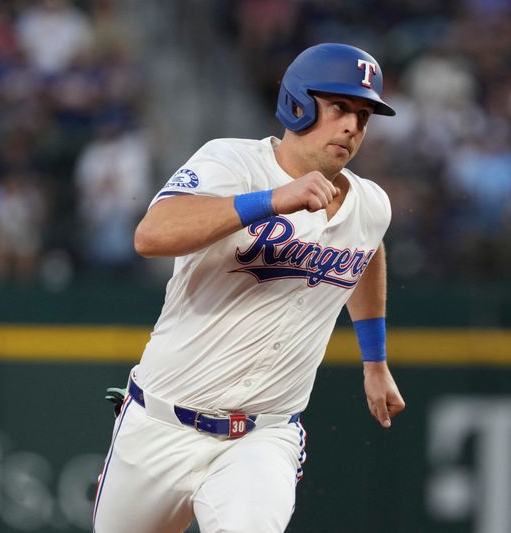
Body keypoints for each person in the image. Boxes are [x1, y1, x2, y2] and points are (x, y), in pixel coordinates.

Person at [92, 42, 406, 533]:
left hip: (262, 438)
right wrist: (272, 200)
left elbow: (367, 250)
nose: (352, 126)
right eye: (340, 107)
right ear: (298, 104)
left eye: (364, 116)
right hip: (158, 426)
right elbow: (152, 234)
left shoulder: (370, 203)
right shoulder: (232, 162)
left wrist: (376, 360)